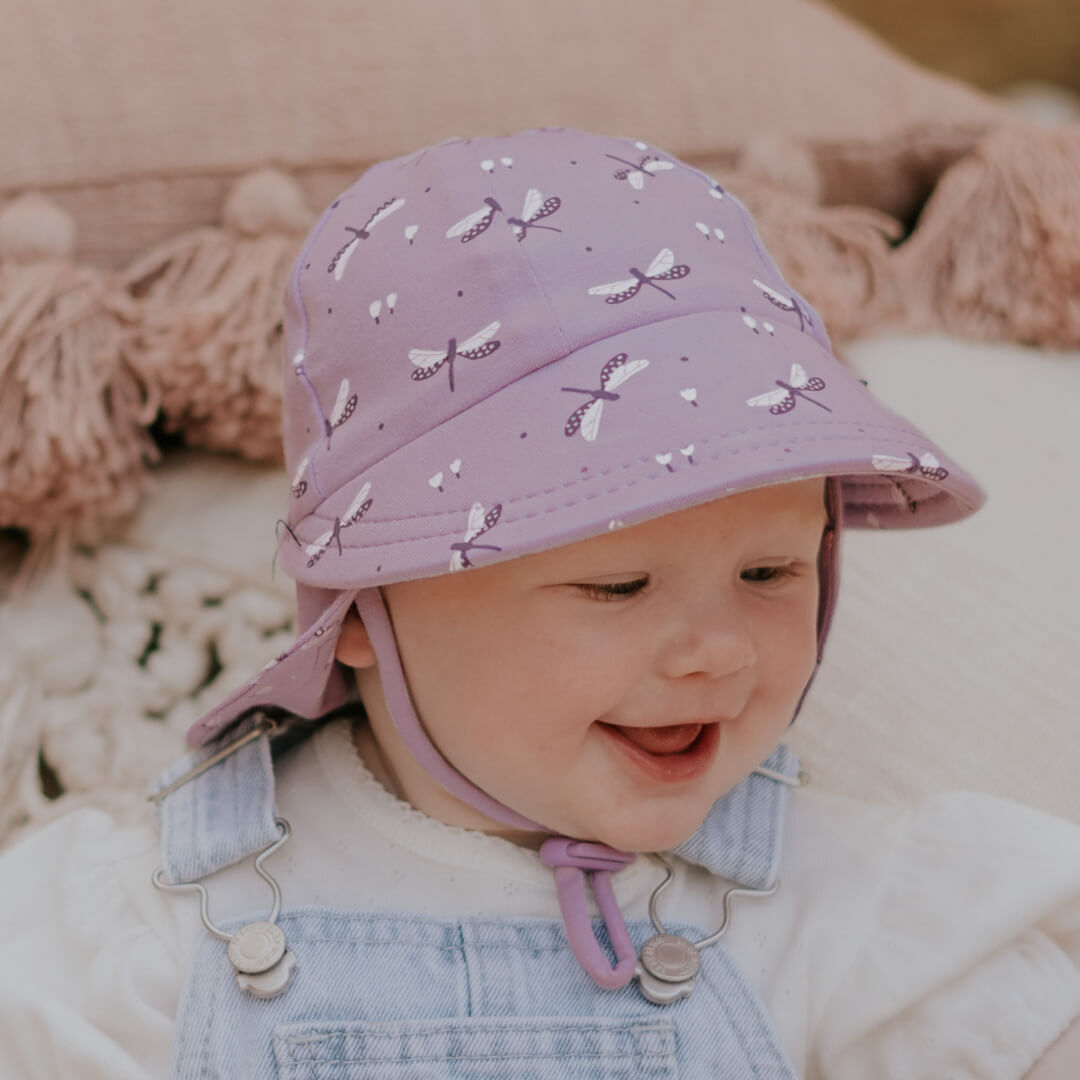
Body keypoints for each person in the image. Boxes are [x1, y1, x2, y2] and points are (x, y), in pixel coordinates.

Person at [1, 126, 1078, 1079]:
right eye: (616, 584)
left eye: (771, 574)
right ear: (365, 604)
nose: (716, 654)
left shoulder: (842, 910)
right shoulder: (153, 924)